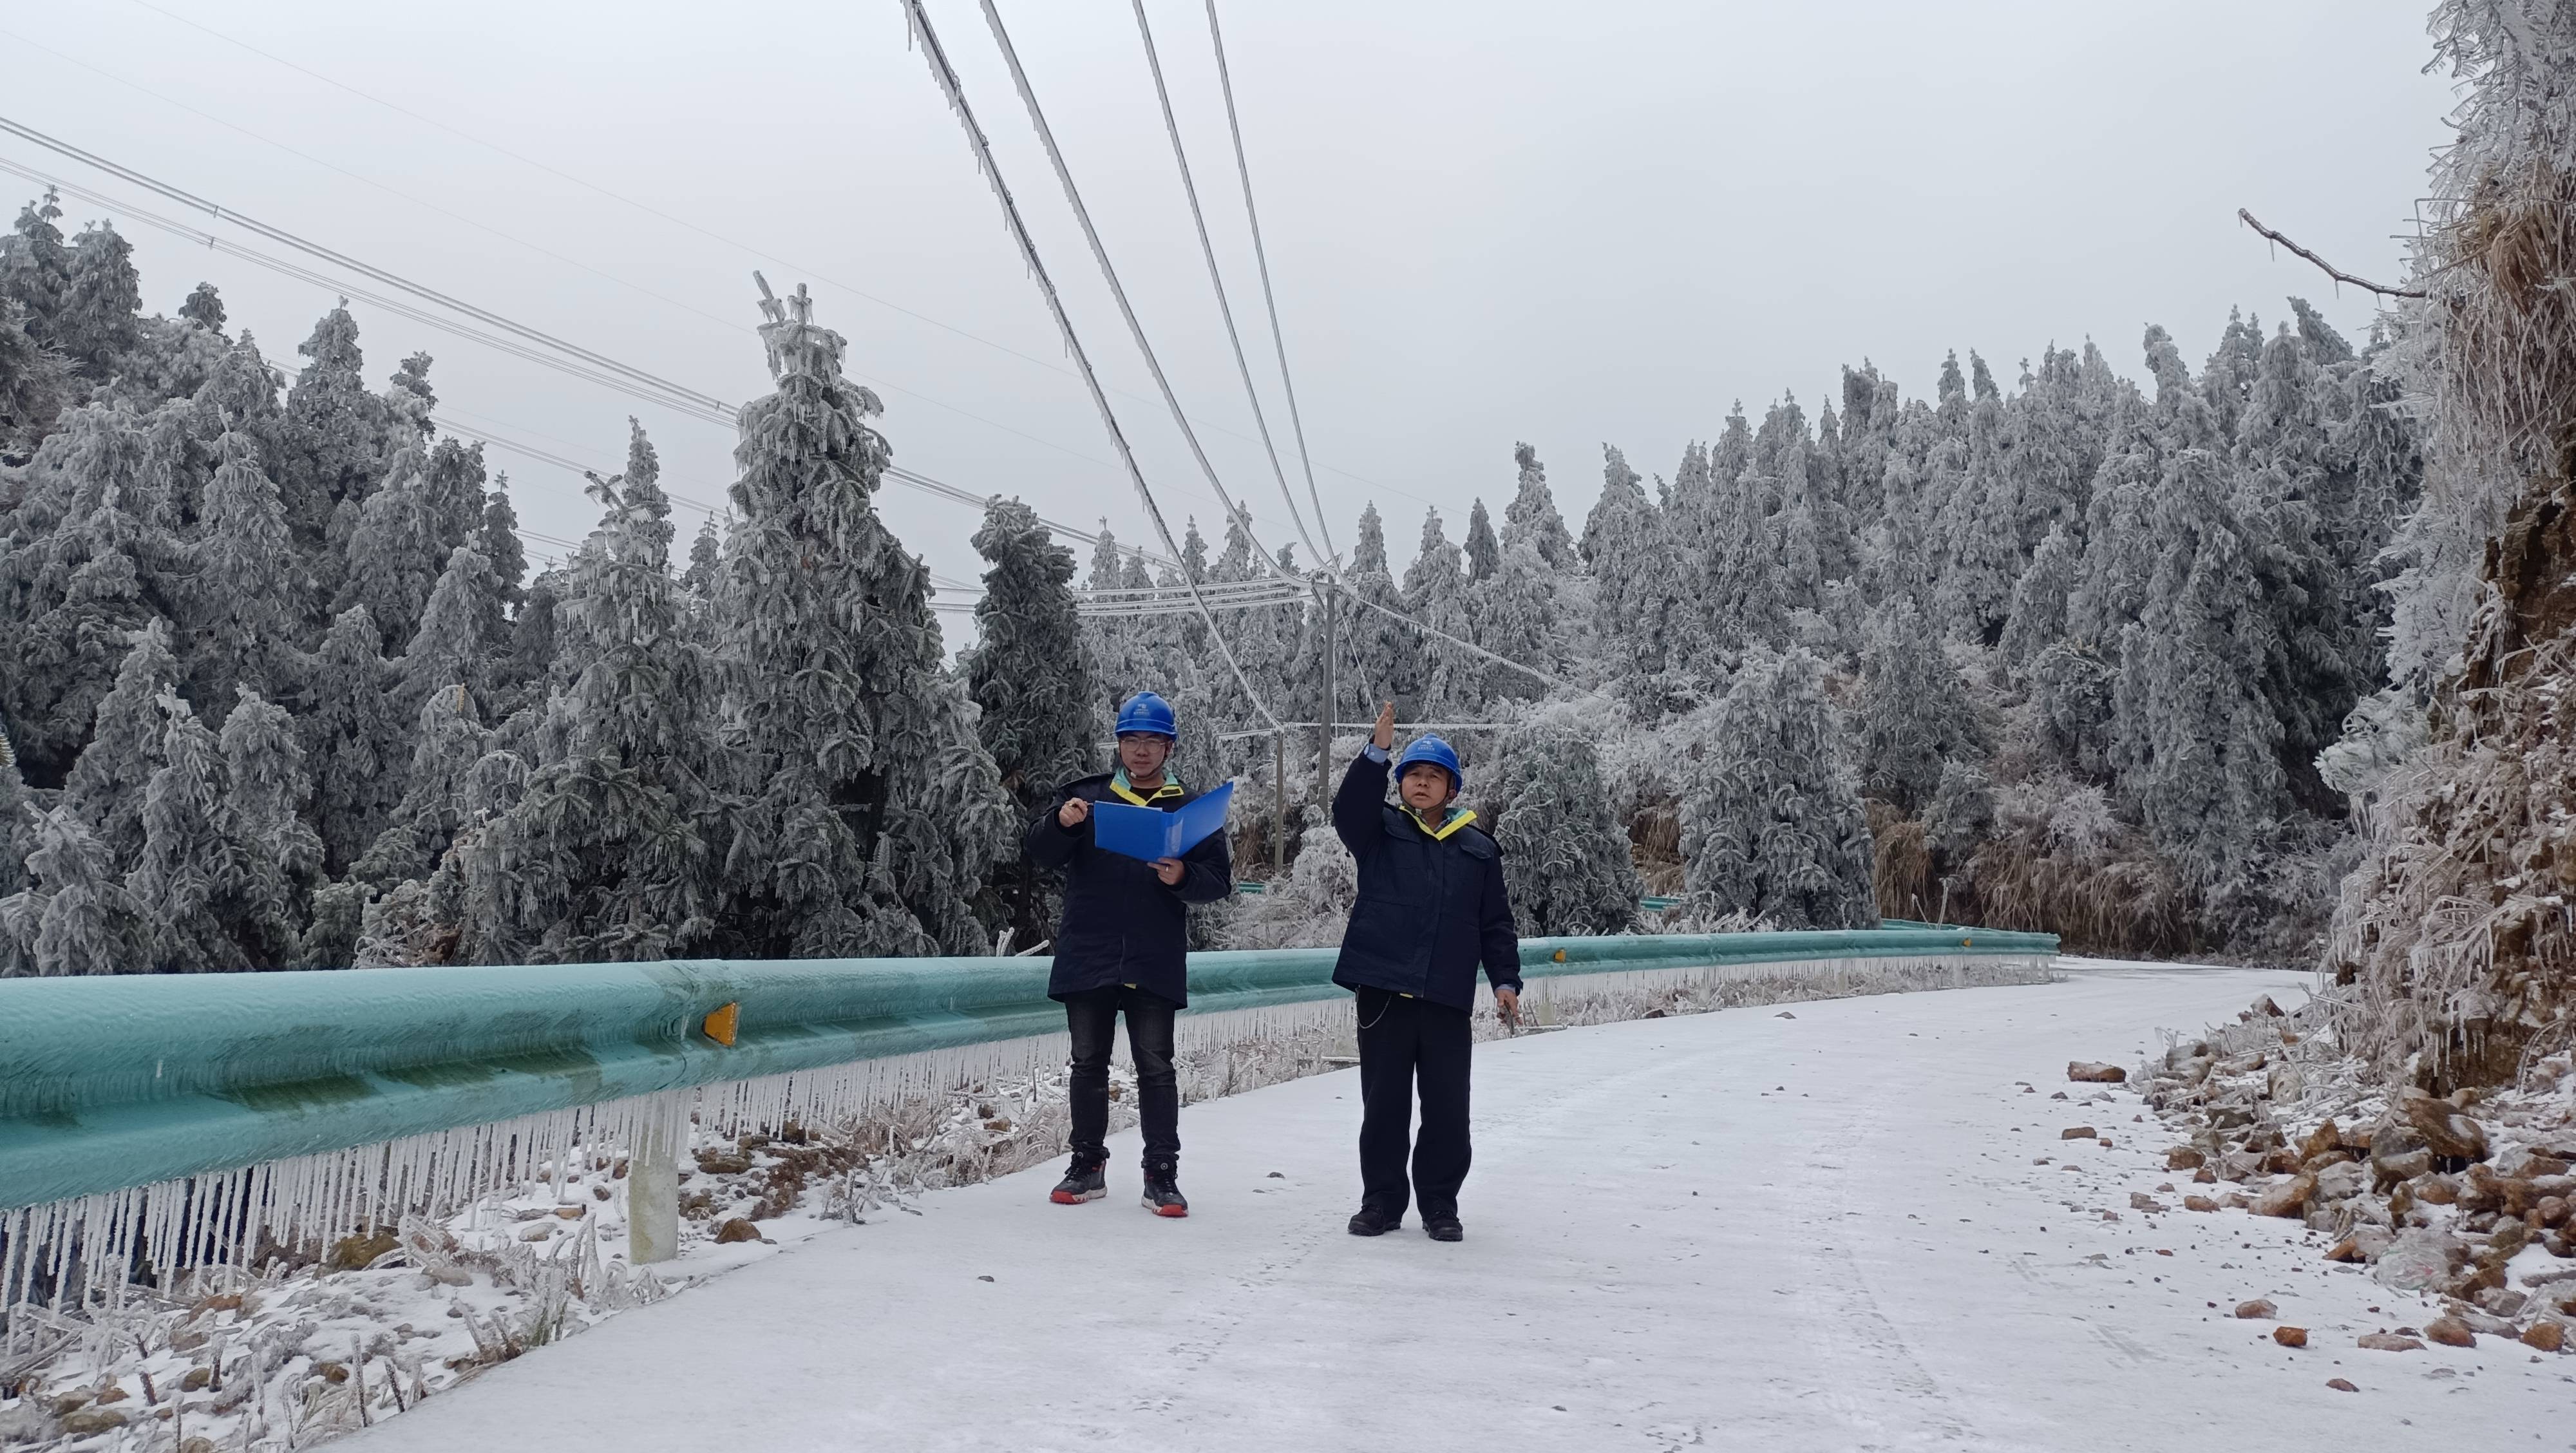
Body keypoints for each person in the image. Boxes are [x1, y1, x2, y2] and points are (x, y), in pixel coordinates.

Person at [1023, 690, 1233, 1217]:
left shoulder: (1192, 810)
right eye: (1131, 739)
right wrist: (1061, 824)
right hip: (1088, 952)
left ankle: (1162, 1174)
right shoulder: (1086, 799)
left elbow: (1218, 882)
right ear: (1118, 744)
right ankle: (1086, 1166)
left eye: (1153, 741)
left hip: (1153, 957)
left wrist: (1183, 876)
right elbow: (1039, 854)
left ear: (1170, 748)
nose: (1141, 750)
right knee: (1087, 1064)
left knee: (1156, 1067)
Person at [1331, 701, 1522, 1242]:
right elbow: (1348, 809)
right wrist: (1377, 752)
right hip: (1384, 991)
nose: (1421, 783)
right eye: (1412, 774)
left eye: (1433, 776)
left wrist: (1504, 981)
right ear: (1400, 784)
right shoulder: (1378, 831)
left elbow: (1496, 926)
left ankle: (1440, 1204)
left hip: (1445, 997)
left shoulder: (1479, 850)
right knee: (1384, 1103)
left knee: (1447, 1109)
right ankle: (1381, 1203)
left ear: (1452, 790)